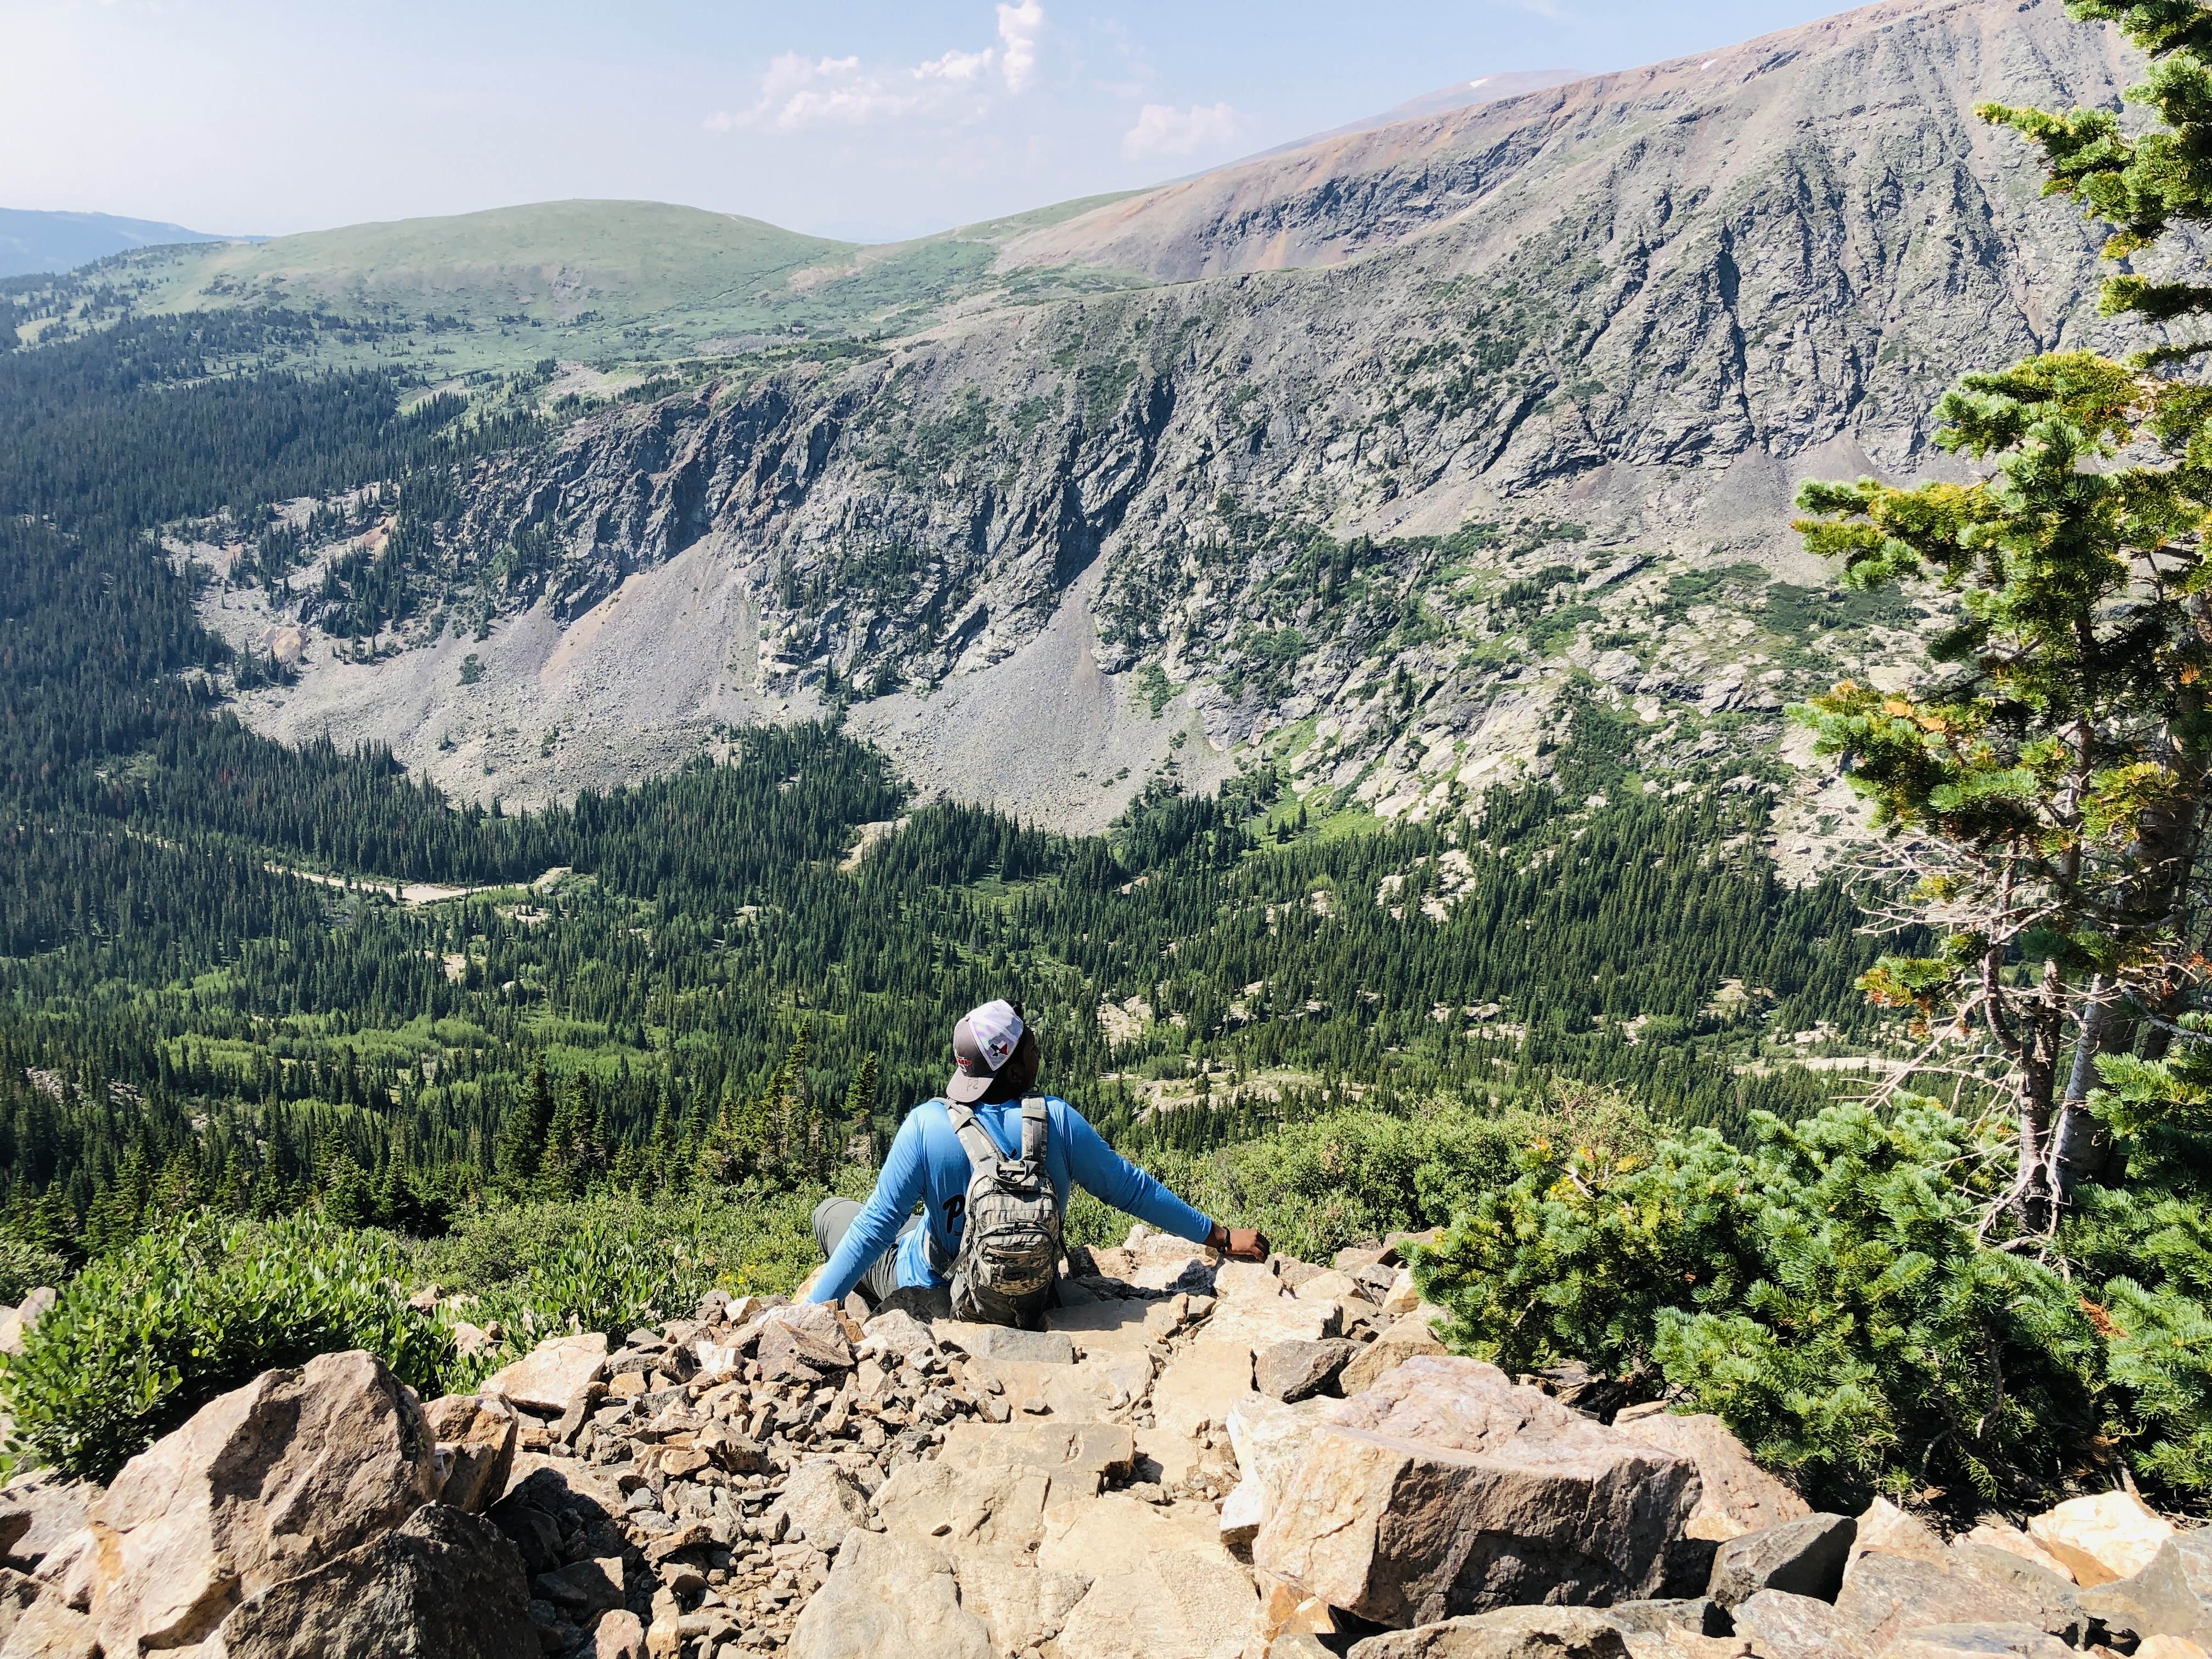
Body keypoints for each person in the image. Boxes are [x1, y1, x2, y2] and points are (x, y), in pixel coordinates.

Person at [808, 998, 1269, 1319]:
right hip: (1031, 1294)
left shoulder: (927, 1127)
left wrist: (804, 1320)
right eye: (1029, 1043)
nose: (1036, 1047)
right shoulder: (1059, 1122)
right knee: (897, 1228)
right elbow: (1133, 1191)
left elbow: (872, 1231)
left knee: (831, 1213)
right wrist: (1220, 1236)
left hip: (934, 1285)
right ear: (1014, 1069)